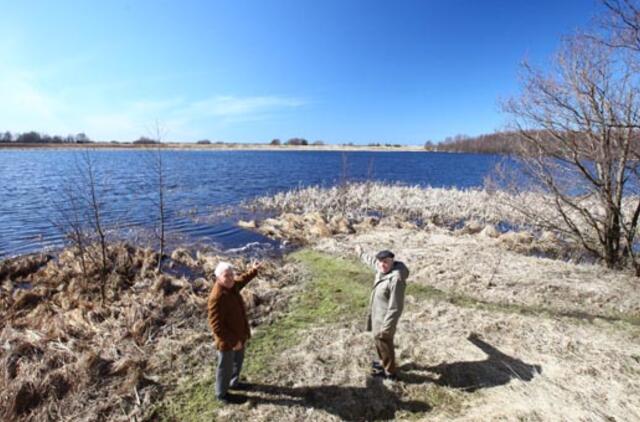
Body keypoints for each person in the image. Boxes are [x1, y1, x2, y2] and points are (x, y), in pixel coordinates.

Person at [207, 260, 262, 404]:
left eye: (232, 274)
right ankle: (221, 394)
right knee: (225, 367)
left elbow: (242, 280)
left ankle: (234, 383)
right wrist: (233, 342)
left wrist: (254, 270)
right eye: (226, 276)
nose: (231, 278)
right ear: (218, 278)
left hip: (240, 335)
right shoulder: (217, 297)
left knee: (238, 361)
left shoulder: (232, 286)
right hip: (227, 341)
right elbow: (216, 326)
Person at [356, 246, 409, 380]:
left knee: (385, 342)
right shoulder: (382, 269)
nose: (382, 265)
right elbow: (372, 262)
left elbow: (396, 307)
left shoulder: (395, 279)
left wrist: (387, 326)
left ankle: (390, 373)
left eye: (385, 262)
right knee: (379, 342)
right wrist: (360, 253)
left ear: (392, 261)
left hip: (385, 319)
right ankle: (382, 362)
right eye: (380, 261)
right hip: (377, 315)